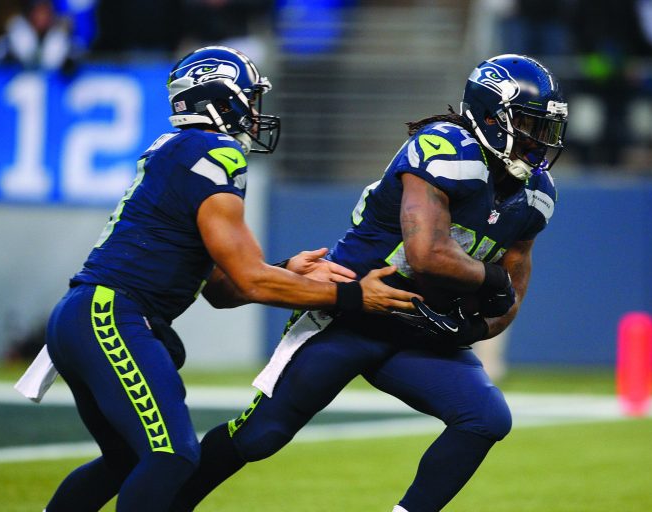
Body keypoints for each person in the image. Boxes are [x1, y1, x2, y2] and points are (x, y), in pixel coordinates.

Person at [171, 54, 568, 511]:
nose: (540, 143)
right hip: (349, 310)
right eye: (531, 126)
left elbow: (512, 289)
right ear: (492, 117)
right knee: (261, 436)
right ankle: (165, 503)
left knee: (485, 418)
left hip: (416, 326)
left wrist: (479, 329)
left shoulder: (537, 193)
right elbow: (428, 255)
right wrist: (489, 278)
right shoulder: (446, 147)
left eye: (547, 130)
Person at [42, 45, 419, 512]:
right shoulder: (212, 151)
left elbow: (223, 290)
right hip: (110, 313)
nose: (256, 112)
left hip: (87, 315)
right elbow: (251, 281)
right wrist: (351, 294)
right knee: (171, 456)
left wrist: (283, 270)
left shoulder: (180, 150)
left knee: (125, 460)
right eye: (250, 98)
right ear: (220, 100)